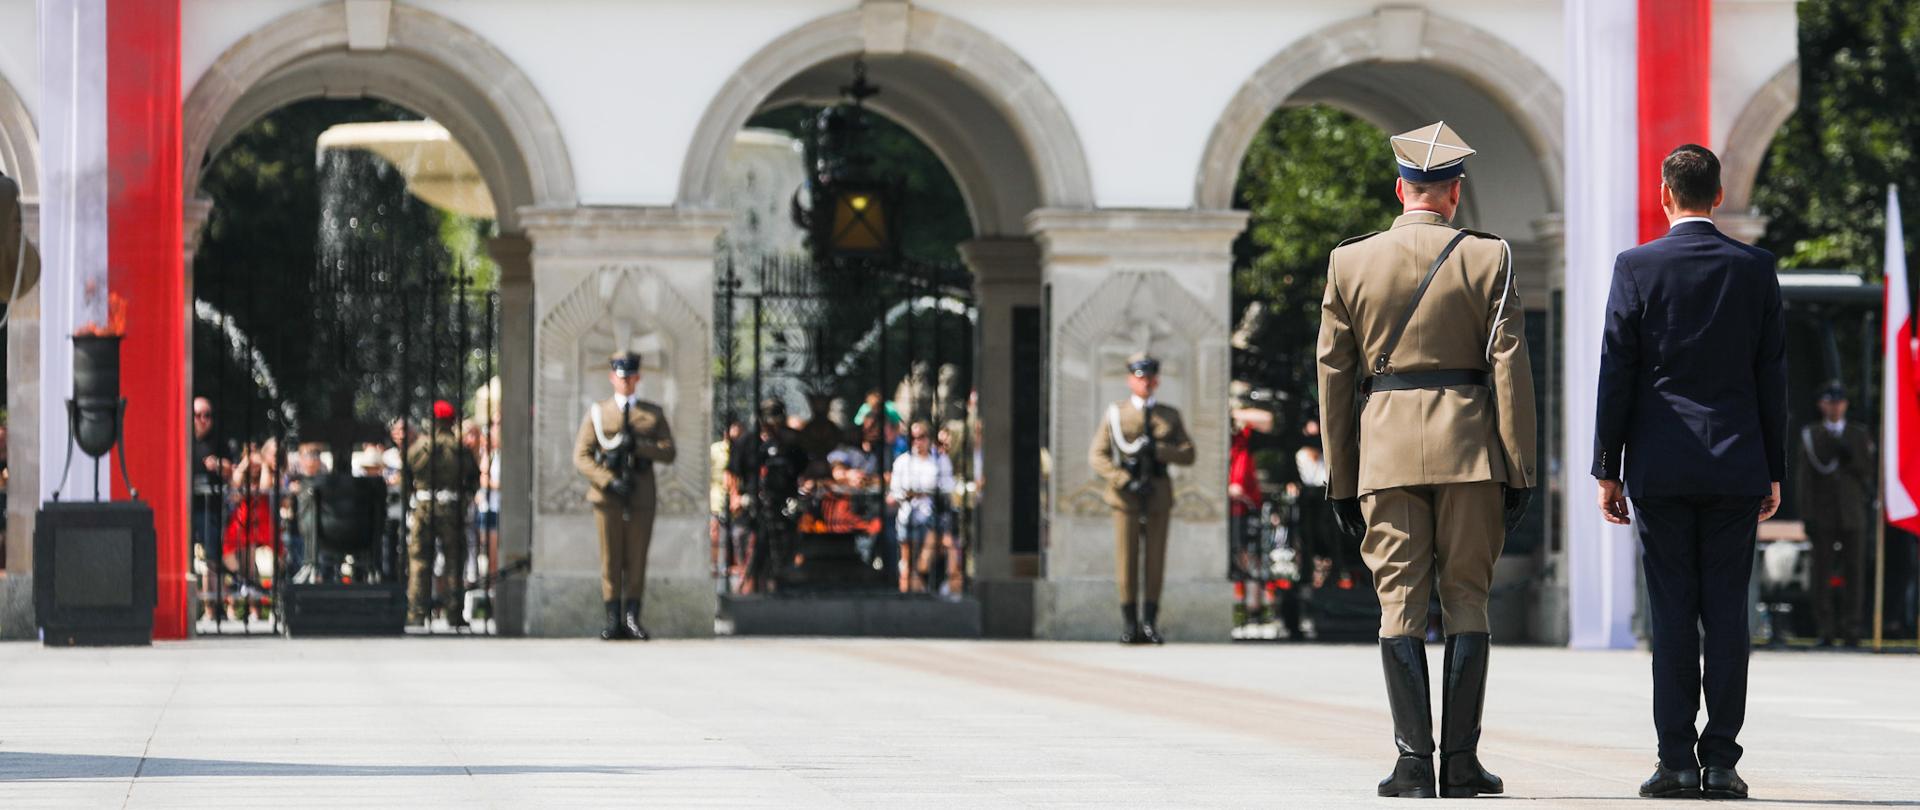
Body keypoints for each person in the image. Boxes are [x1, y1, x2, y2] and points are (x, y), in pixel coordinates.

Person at [1316, 121, 1535, 799]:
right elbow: (1510, 368)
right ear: (1454, 193)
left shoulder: (1350, 262)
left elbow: (1332, 375)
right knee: (1467, 600)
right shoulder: (1488, 257)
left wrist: (1341, 476)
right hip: (1469, 451)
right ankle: (1462, 763)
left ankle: (1413, 763)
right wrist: (1518, 466)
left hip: (1384, 456)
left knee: (1398, 606)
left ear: (1401, 188)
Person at [1594, 144, 1785, 801]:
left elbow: (1617, 367)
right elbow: (1771, 376)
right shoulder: (1755, 268)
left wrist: (1606, 467)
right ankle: (1722, 762)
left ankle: (1675, 760)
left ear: (1665, 195)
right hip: (1736, 465)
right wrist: (1773, 469)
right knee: (1727, 614)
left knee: (1672, 612)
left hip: (1661, 465)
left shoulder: (1637, 266)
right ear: (1720, 195)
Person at [1088, 352, 1196, 645]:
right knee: (1127, 560)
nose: (1145, 382)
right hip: (1126, 495)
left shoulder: (1169, 415)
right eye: (1140, 377)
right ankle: (1129, 623)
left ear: (1157, 381)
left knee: (1155, 561)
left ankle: (1149, 622)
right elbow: (1098, 455)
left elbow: (1188, 453)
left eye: (1150, 377)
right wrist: (1123, 479)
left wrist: (1159, 450)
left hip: (1158, 491)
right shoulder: (1117, 413)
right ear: (1130, 380)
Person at [574, 351, 676, 640]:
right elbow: (582, 456)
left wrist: (640, 447)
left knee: (636, 556)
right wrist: (607, 480)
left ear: (638, 378)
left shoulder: (651, 413)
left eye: (631, 377)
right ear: (612, 378)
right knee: (611, 557)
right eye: (622, 378)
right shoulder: (599, 412)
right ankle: (612, 618)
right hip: (608, 496)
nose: (627, 382)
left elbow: (669, 451)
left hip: (641, 493)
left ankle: (632, 616)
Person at [1795, 384, 1876, 647]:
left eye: (1839, 402)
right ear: (1822, 405)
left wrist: (1850, 456)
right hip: (1822, 513)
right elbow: (1804, 480)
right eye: (1830, 402)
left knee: (1855, 572)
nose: (1835, 407)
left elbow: (1868, 472)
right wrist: (1806, 515)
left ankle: (1852, 628)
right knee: (1822, 573)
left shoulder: (1858, 433)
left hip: (1852, 513)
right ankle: (1825, 629)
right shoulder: (1812, 434)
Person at [408, 400, 480, 628]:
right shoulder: (458, 448)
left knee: (420, 561)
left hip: (423, 507)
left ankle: (417, 613)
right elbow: (473, 478)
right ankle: (453, 612)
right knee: (454, 562)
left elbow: (406, 473)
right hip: (451, 507)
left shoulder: (419, 447)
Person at [728, 398, 808, 594]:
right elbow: (732, 473)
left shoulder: (791, 443)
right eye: (769, 420)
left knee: (780, 558)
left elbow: (804, 471)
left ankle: (776, 590)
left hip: (782, 507)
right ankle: (748, 590)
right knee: (750, 554)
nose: (772, 425)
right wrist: (735, 497)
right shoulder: (747, 442)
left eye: (776, 420)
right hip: (752, 508)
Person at [889, 420, 954, 593]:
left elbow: (948, 485)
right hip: (907, 516)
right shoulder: (903, 461)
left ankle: (924, 588)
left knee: (924, 562)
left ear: (929, 439)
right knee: (907, 564)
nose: (917, 442)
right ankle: (908, 595)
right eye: (913, 438)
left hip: (931, 517)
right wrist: (908, 494)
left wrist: (925, 491)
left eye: (922, 437)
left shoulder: (940, 460)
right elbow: (895, 490)